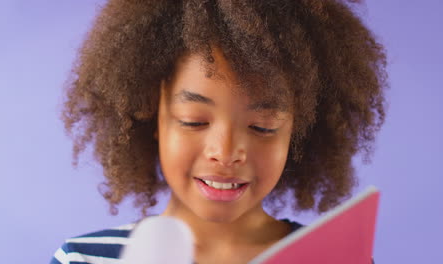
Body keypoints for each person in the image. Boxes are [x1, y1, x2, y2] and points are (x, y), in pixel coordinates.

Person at [51, 0, 387, 263]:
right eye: (194, 121)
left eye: (262, 126)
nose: (225, 152)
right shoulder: (85, 259)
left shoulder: (334, 260)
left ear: (296, 132)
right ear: (153, 115)